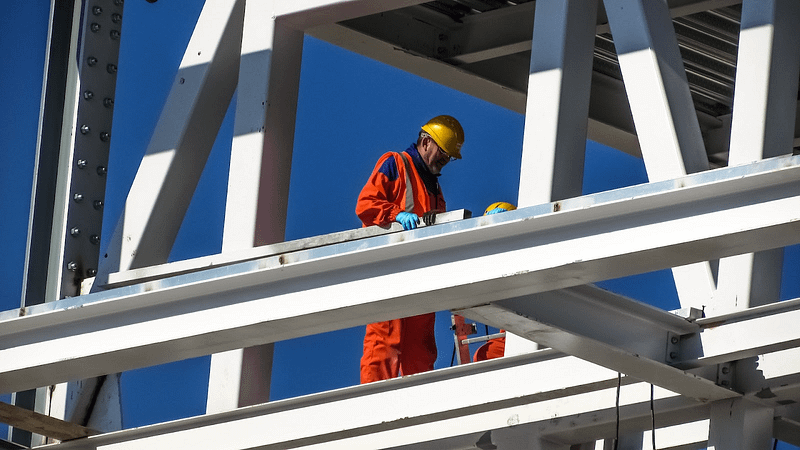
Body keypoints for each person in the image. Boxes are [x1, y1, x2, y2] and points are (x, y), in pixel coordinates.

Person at [356, 115, 465, 383]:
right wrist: (395, 215)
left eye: (449, 157)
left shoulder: (435, 188)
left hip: (418, 275)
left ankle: (419, 406)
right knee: (384, 341)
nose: (445, 161)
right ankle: (373, 404)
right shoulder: (395, 163)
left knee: (421, 350)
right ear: (426, 142)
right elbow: (366, 204)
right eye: (443, 153)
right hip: (388, 269)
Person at [472, 202, 517, 362]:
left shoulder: (525, 254)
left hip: (546, 331)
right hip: (511, 334)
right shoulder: (493, 263)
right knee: (485, 356)